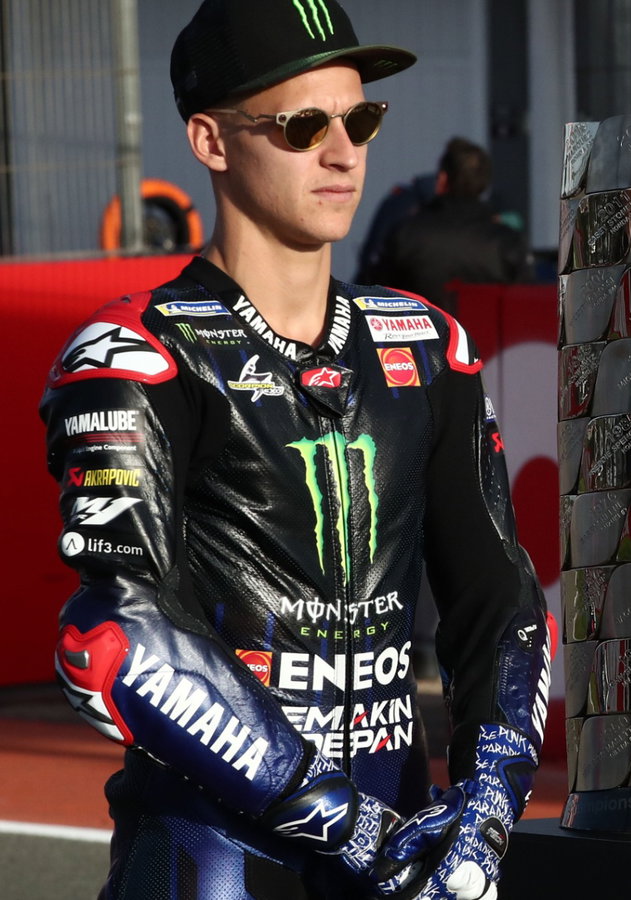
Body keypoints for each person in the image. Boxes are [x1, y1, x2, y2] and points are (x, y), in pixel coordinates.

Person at [39, 1, 551, 898]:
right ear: (210, 141)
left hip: (403, 850)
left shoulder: (430, 344)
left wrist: (486, 808)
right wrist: (340, 819)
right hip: (216, 857)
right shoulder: (138, 353)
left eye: (361, 118)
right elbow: (118, 635)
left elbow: (500, 598)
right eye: (302, 124)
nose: (343, 151)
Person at [369, 137, 529, 315]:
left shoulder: (406, 233)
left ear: (443, 179)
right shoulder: (507, 242)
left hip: (422, 340)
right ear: (483, 184)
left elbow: (375, 295)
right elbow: (525, 305)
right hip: (487, 341)